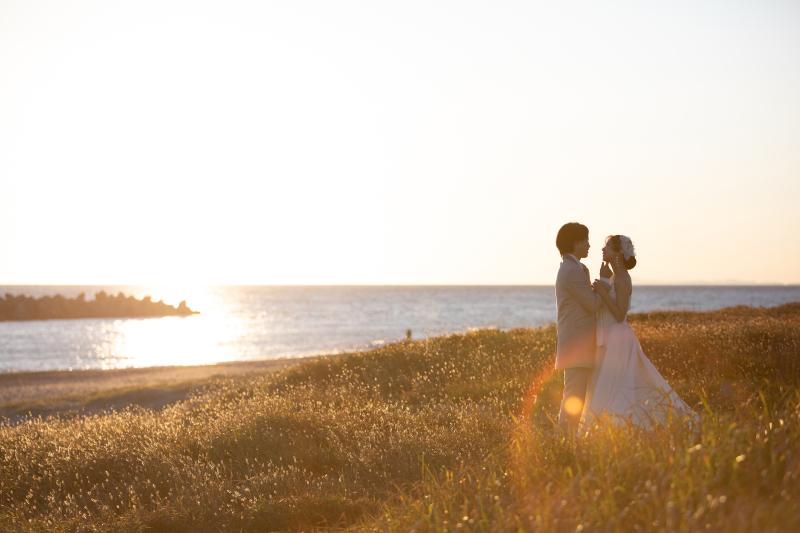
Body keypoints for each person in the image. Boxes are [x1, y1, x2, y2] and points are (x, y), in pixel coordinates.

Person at [581, 235, 697, 428]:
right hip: (607, 339)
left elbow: (619, 315)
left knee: (617, 385)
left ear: (618, 252)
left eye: (607, 246)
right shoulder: (613, 277)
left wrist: (602, 292)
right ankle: (604, 426)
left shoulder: (624, 279)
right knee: (604, 385)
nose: (603, 249)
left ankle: (618, 426)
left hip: (618, 340)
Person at [553, 222, 605, 434]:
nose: (589, 245)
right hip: (577, 344)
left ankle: (568, 438)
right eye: (586, 241)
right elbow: (593, 303)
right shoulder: (572, 270)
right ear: (576, 242)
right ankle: (564, 439)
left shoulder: (573, 268)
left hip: (576, 343)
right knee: (574, 394)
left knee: (577, 394)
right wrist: (603, 285)